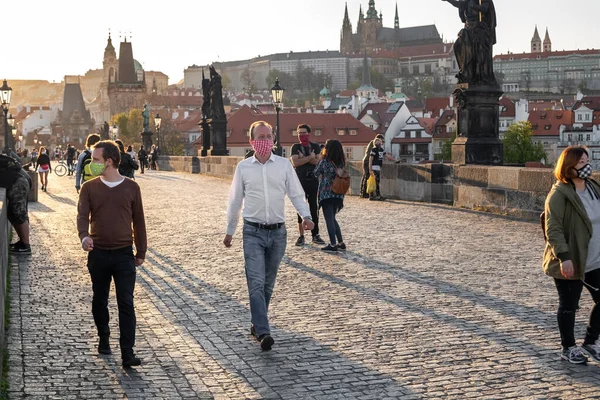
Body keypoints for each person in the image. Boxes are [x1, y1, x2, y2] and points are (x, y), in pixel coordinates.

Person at [224, 121, 314, 352]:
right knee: (255, 282)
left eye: (268, 136)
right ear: (251, 140)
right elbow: (235, 201)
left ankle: (256, 323)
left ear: (273, 139)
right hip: (252, 231)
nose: (265, 140)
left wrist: (306, 216)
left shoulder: (284, 165)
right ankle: (264, 331)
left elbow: (296, 194)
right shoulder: (244, 167)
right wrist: (230, 231)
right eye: (260, 136)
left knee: (267, 284)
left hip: (278, 233)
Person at [77, 140, 147, 368]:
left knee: (126, 302)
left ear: (109, 161)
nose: (91, 163)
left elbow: (139, 221)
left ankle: (128, 352)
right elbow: (82, 216)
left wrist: (141, 250)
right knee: (100, 299)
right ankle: (104, 337)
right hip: (98, 253)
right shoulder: (89, 188)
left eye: (96, 160)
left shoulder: (131, 188)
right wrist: (84, 236)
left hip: (124, 253)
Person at [543, 146, 600, 364]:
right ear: (569, 167)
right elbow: (553, 228)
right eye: (581, 163)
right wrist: (564, 257)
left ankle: (590, 342)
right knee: (569, 305)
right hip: (571, 258)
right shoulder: (559, 194)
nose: (587, 166)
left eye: (587, 160)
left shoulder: (594, 187)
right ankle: (568, 348)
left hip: (595, 257)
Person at [290, 124, 325, 246]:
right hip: (300, 181)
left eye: (303, 133)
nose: (301, 135)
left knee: (314, 208)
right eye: (299, 133)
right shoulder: (295, 147)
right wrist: (310, 158)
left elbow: (318, 162)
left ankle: (315, 234)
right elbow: (295, 162)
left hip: (313, 180)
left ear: (309, 133)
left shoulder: (315, 146)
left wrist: (305, 158)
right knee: (300, 207)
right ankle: (301, 236)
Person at [314, 139, 346, 252]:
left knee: (329, 219)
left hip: (326, 193)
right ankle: (341, 242)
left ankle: (333, 244)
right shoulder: (341, 162)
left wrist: (319, 159)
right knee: (332, 218)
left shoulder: (325, 161)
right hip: (338, 193)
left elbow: (316, 173)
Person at [0, 153, 32, 254]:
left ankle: (26, 245)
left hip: (18, 183)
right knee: (12, 213)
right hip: (19, 181)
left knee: (19, 214)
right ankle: (22, 242)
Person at [369, 136, 397, 201]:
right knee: (375, 182)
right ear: (374, 143)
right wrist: (370, 169)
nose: (378, 144)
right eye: (377, 143)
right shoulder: (374, 149)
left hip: (378, 167)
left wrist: (395, 160)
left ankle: (373, 196)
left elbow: (387, 156)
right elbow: (370, 159)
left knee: (376, 182)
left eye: (379, 143)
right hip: (374, 167)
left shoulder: (381, 150)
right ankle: (376, 196)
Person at [360, 134, 385, 198]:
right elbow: (372, 156)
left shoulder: (372, 142)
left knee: (365, 177)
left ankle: (363, 193)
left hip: (366, 160)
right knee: (368, 177)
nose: (382, 143)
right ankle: (365, 193)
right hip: (368, 161)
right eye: (382, 141)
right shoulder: (374, 144)